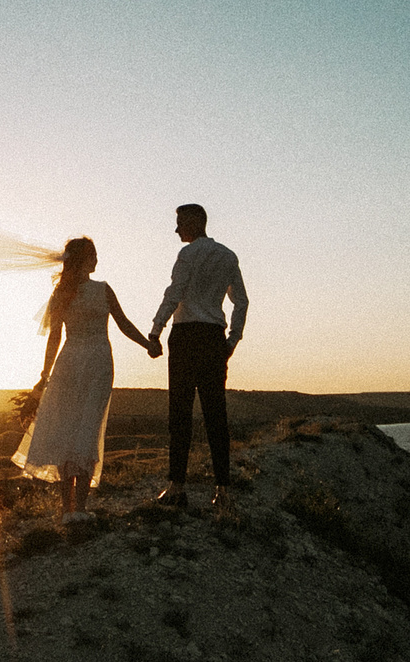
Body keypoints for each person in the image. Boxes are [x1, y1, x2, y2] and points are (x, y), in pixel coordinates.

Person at [12, 237, 159, 519]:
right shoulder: (72, 293)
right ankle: (74, 509)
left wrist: (147, 344)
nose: (97, 260)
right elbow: (55, 336)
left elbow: (124, 323)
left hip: (82, 363)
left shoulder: (89, 291)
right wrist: (44, 376)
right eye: (93, 255)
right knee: (78, 431)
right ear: (84, 259)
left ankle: (74, 509)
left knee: (81, 430)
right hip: (87, 363)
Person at [148, 203, 247, 507]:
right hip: (213, 338)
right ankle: (223, 491)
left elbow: (174, 292)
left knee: (180, 413)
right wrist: (232, 340)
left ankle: (177, 487)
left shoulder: (186, 255)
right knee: (216, 414)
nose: (176, 229)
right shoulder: (228, 256)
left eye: (180, 222)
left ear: (194, 222)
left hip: (186, 336)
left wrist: (155, 330)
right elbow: (241, 301)